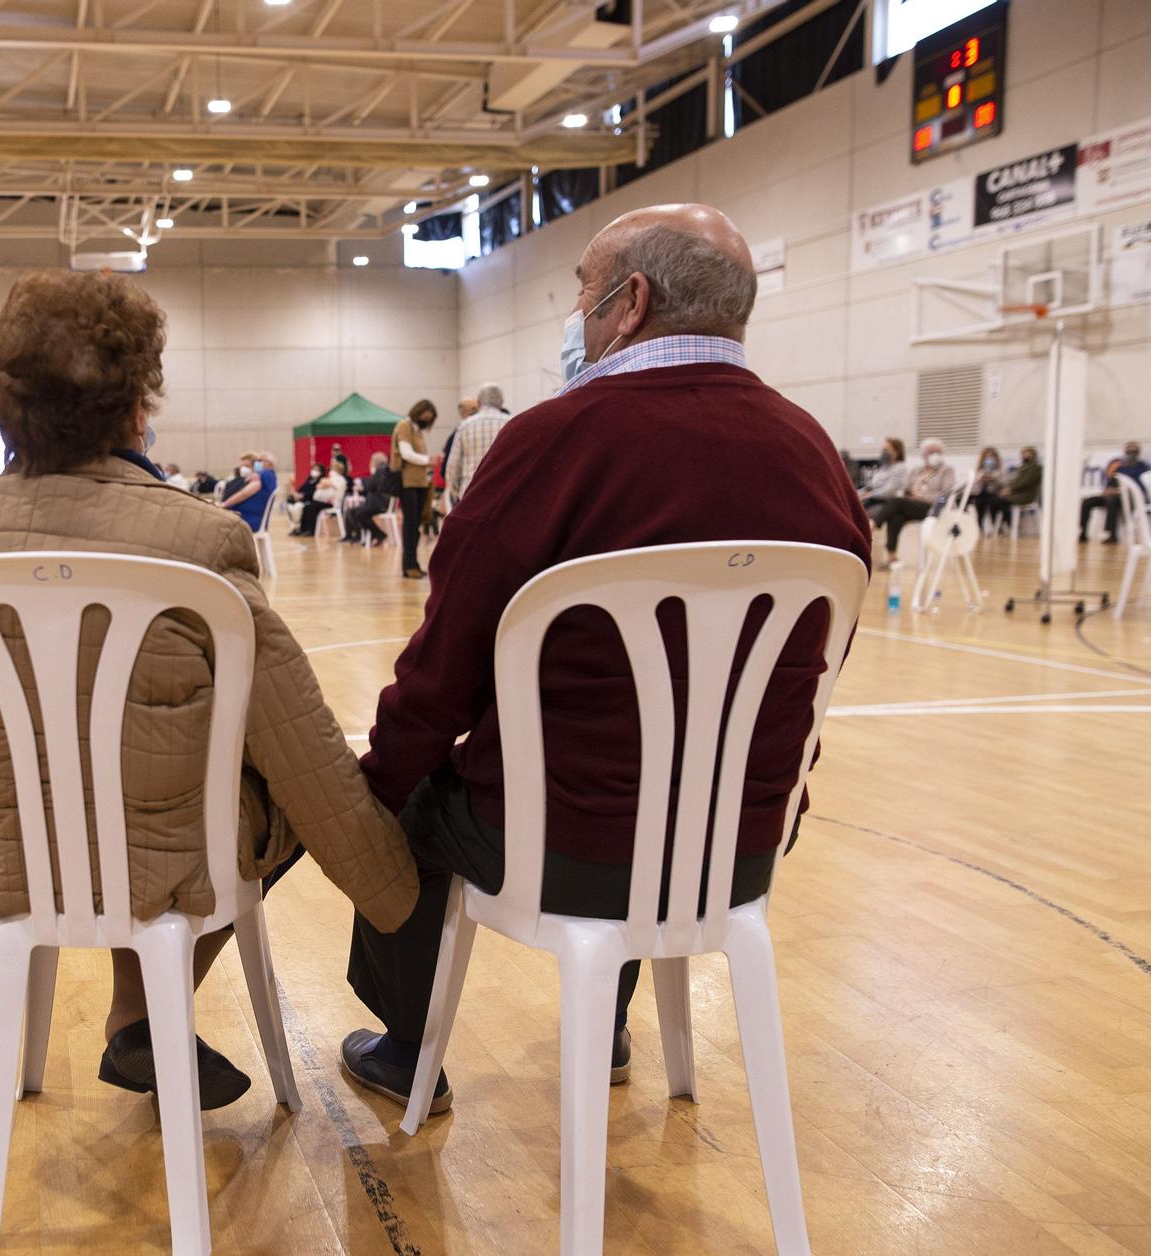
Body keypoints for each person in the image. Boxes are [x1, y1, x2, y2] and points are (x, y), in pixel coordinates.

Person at [338, 203, 872, 1115]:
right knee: (641, 775)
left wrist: (373, 790)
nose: (575, 314)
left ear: (630, 302)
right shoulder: (814, 452)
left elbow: (442, 673)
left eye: (582, 290)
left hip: (560, 844)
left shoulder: (553, 442)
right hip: (735, 848)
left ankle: (405, 1043)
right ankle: (612, 1025)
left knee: (415, 803)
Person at [0, 269, 417, 1110]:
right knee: (229, 801)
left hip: (3, 843)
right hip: (164, 854)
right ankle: (139, 1012)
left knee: (122, 797)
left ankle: (136, 1019)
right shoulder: (199, 539)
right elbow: (298, 744)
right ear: (139, 404)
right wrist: (394, 887)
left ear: (1, 407)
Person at [864, 436, 957, 566]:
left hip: (932, 507)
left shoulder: (947, 470)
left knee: (896, 502)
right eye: (930, 452)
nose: (934, 455)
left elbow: (945, 495)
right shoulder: (916, 470)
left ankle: (873, 525)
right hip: (912, 505)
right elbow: (905, 489)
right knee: (896, 515)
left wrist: (923, 496)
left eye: (937, 452)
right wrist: (910, 494)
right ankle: (891, 556)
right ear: (924, 454)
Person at [444, 383, 511, 508]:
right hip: (503, 492)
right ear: (502, 402)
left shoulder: (465, 426)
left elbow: (453, 466)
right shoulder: (512, 423)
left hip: (470, 492)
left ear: (478, 403)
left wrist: (456, 492)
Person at [391, 400, 437, 580]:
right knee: (410, 527)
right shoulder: (404, 426)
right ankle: (408, 565)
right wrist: (428, 460)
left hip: (420, 483)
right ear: (418, 412)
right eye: (426, 417)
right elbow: (406, 454)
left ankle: (414, 564)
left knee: (416, 525)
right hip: (408, 483)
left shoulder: (417, 430)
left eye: (430, 419)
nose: (427, 421)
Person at [1080, 441, 1151, 544]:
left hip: (1130, 497)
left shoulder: (1143, 468)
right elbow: (1111, 481)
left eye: (1134, 450)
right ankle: (1083, 533)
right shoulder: (1119, 467)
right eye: (1129, 449)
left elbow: (1140, 487)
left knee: (1111, 501)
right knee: (1088, 501)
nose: (1131, 452)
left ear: (1138, 452)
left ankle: (1111, 535)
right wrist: (1108, 489)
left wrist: (1119, 491)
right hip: (1113, 496)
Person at [975, 447, 1043, 531]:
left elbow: (1024, 482)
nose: (1024, 455)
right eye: (1023, 453)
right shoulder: (1024, 467)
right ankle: (1005, 525)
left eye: (1027, 453)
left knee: (995, 500)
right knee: (983, 500)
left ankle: (1009, 525)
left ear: (1033, 455)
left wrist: (1009, 489)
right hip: (1013, 492)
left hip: (1024, 495)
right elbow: (1014, 481)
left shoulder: (1034, 467)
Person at [344, 452, 401, 543]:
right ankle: (370, 535)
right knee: (354, 511)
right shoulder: (386, 470)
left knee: (359, 513)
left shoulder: (380, 470)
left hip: (379, 504)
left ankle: (377, 534)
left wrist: (364, 487)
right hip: (380, 503)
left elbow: (371, 486)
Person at [217, 451, 277, 533]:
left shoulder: (263, 476)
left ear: (270, 464)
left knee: (215, 519)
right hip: (250, 516)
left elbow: (244, 493)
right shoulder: (269, 476)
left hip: (249, 518)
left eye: (260, 460)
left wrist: (224, 505)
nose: (257, 463)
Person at [857, 437, 907, 503]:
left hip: (889, 501)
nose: (884, 452)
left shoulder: (900, 468)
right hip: (874, 499)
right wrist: (856, 494)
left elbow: (889, 491)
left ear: (897, 452)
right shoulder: (883, 467)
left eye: (886, 450)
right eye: (883, 450)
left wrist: (869, 495)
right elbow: (870, 487)